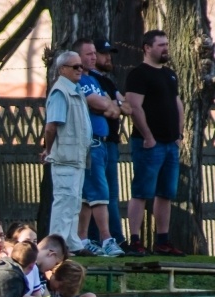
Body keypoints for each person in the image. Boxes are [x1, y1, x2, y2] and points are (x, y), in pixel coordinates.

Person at [123, 30, 185, 257]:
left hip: (170, 143)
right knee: (141, 191)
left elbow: (177, 103)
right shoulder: (138, 74)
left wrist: (179, 134)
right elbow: (134, 107)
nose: (165, 48)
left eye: (166, 44)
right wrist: (148, 136)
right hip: (149, 144)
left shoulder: (170, 74)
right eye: (160, 45)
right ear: (147, 48)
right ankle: (135, 240)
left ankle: (162, 241)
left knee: (166, 193)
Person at [73, 38, 125, 258]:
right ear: (77, 58)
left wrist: (109, 105)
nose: (93, 57)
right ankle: (107, 239)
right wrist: (108, 105)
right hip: (90, 142)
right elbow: (104, 104)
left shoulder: (93, 79)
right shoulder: (80, 82)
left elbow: (115, 109)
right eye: (88, 54)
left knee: (88, 196)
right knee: (99, 193)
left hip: (102, 143)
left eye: (95, 53)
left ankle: (84, 238)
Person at [40, 50, 92, 257]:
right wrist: (48, 150)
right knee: (64, 202)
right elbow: (51, 126)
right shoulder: (61, 92)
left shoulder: (75, 90)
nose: (80, 69)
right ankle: (55, 248)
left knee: (73, 202)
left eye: (81, 66)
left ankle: (71, 243)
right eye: (75, 66)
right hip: (65, 158)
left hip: (76, 158)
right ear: (62, 69)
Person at [88, 38, 133, 250]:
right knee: (98, 193)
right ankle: (104, 238)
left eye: (109, 54)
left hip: (111, 142)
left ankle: (115, 237)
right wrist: (114, 104)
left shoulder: (109, 82)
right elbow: (112, 109)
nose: (108, 58)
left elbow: (126, 108)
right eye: (104, 53)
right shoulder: (90, 81)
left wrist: (114, 104)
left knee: (111, 194)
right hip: (96, 143)